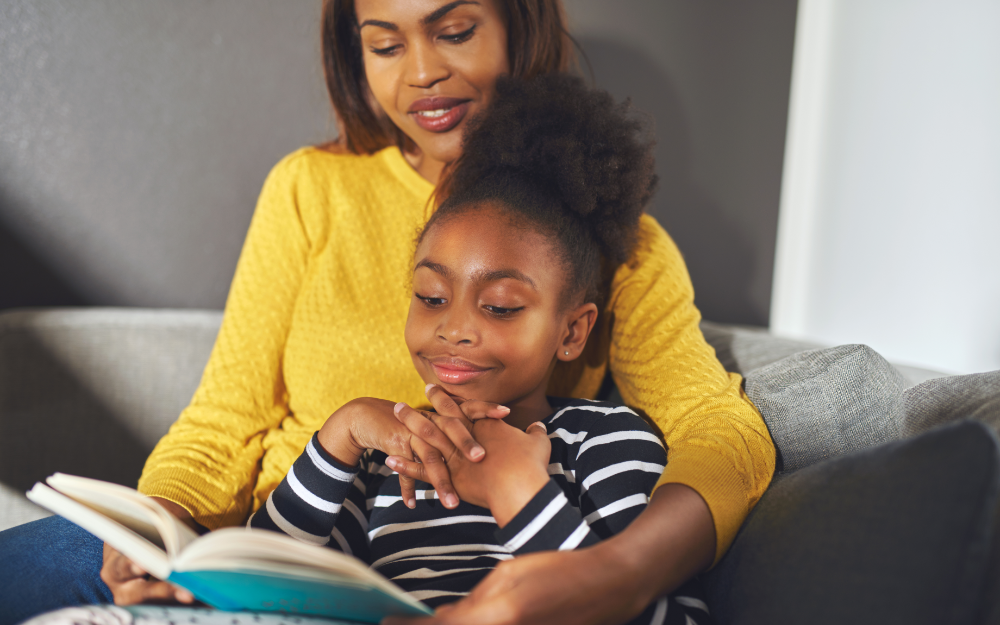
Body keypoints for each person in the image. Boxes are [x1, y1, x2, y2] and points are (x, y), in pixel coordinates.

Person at [0, 1, 775, 624]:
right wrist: (157, 525)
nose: (424, 74)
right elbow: (221, 422)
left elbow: (719, 430)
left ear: (518, 22)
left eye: (456, 30)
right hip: (278, 544)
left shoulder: (607, 238)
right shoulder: (311, 190)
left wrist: (615, 574)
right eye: (385, 43)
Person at [249, 72, 710, 625]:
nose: (454, 329)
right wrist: (337, 436)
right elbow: (259, 580)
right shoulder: (383, 457)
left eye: (500, 306)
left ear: (571, 332)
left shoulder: (606, 440)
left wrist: (517, 488)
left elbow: (652, 613)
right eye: (431, 296)